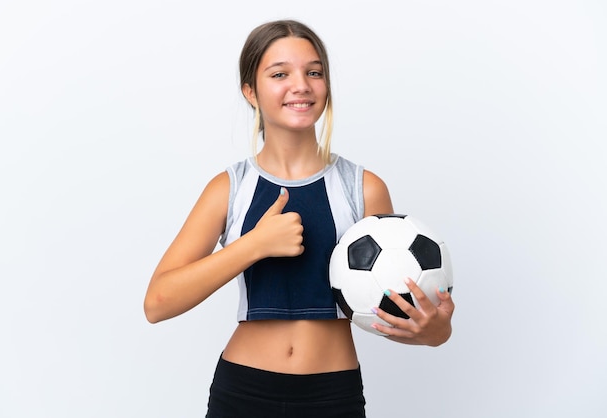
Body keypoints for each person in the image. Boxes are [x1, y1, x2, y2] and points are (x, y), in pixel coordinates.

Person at [143, 19, 455, 418]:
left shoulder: (363, 188)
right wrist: (252, 246)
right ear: (250, 92)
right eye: (280, 74)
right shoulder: (229, 188)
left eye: (314, 72)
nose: (301, 85)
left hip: (333, 395)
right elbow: (158, 303)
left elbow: (385, 309)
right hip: (243, 391)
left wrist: (435, 332)